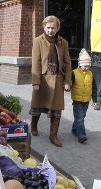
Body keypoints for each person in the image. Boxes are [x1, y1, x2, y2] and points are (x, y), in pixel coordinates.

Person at [30, 15, 72, 147]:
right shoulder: (38, 41)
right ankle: (34, 125)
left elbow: (68, 63)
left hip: (58, 80)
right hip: (43, 80)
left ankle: (53, 135)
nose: (50, 30)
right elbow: (35, 62)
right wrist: (36, 81)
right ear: (44, 27)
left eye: (53, 28)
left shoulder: (63, 43)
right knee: (37, 106)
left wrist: (67, 81)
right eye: (48, 27)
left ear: (58, 28)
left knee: (57, 109)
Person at [70, 50, 94, 143]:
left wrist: (94, 99)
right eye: (85, 66)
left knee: (81, 116)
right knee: (80, 117)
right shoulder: (74, 73)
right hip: (77, 99)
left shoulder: (90, 74)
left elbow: (94, 87)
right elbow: (70, 83)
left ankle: (74, 129)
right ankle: (81, 136)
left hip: (86, 99)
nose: (87, 68)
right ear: (80, 64)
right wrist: (67, 87)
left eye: (88, 66)